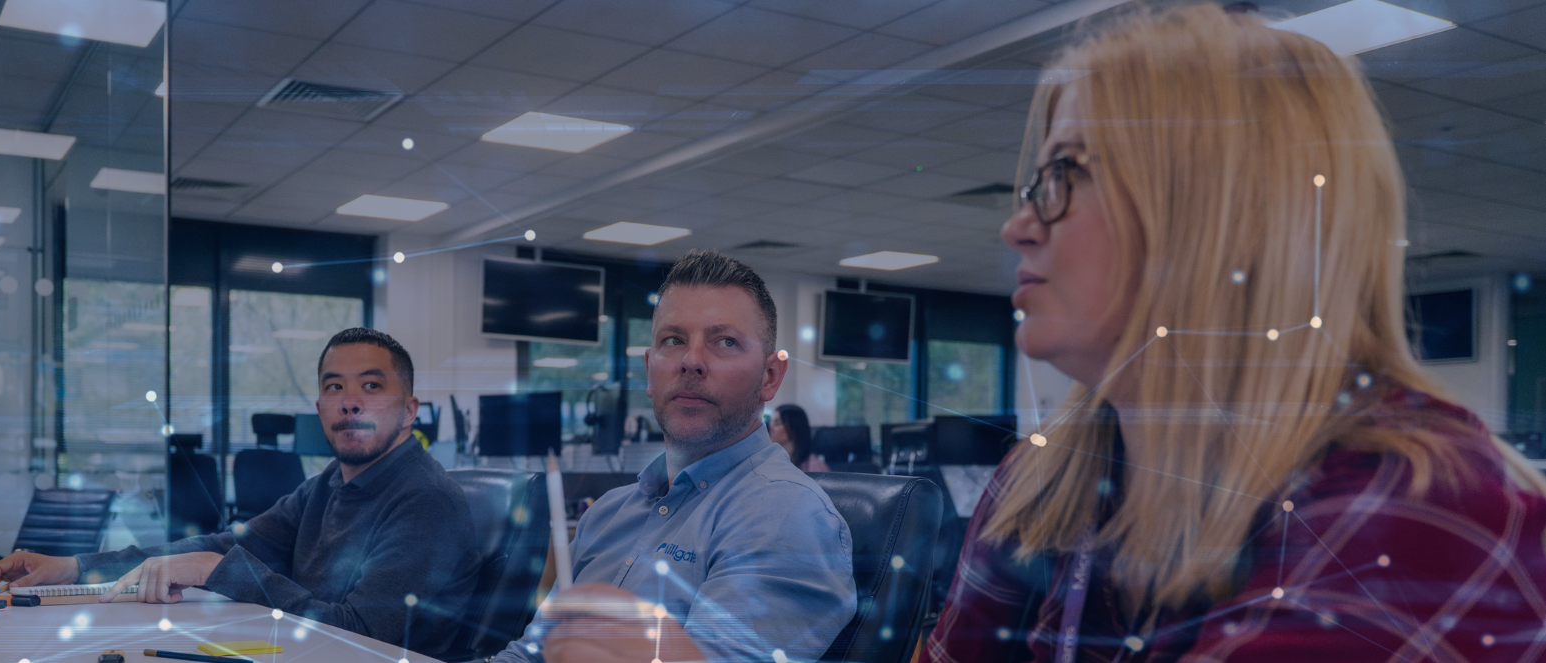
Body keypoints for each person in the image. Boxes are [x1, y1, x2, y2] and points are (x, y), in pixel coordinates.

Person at [919, 5, 1546, 663]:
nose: (1017, 228)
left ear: (1217, 210)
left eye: (1062, 176)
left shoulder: (1422, 504)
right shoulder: (1047, 475)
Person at [0, 328, 480, 655]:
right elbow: (220, 546)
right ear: (320, 407)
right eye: (334, 387)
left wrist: (218, 570)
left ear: (409, 411)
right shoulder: (328, 485)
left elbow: (360, 637)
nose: (350, 402)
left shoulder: (425, 500)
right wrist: (76, 566)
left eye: (371, 386)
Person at [493, 250, 857, 663]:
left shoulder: (786, 515)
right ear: (650, 370)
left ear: (769, 378)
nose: (691, 361)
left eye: (725, 342)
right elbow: (531, 654)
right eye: (674, 340)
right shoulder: (605, 514)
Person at [770, 404, 829, 472]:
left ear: (793, 428)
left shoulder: (813, 466)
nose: (771, 427)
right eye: (772, 422)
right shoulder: (772, 460)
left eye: (777, 423)